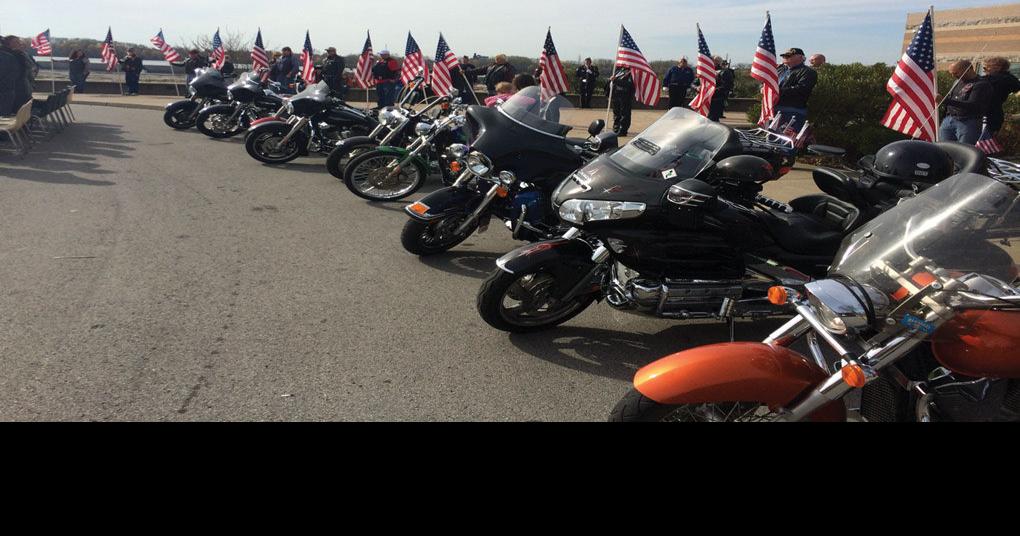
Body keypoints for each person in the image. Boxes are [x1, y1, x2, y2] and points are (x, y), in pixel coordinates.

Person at [939, 60, 993, 145]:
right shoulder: (957, 82)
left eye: (956, 73)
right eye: (952, 73)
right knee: (944, 148)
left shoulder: (981, 84)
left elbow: (972, 105)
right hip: (949, 119)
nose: (954, 76)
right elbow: (952, 97)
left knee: (965, 148)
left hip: (968, 121)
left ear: (968, 70)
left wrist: (945, 100)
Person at [775, 47, 818, 131]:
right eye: (784, 56)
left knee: (788, 139)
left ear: (801, 58)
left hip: (793, 111)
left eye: (789, 56)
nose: (785, 57)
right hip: (774, 109)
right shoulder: (779, 70)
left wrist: (777, 91)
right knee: (772, 138)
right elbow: (767, 81)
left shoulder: (808, 72)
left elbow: (801, 89)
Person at [980, 57, 1020, 137]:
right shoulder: (1009, 79)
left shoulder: (1003, 79)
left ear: (998, 68)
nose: (984, 70)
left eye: (986, 67)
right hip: (989, 115)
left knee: (984, 141)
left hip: (991, 115)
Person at [0, 36, 35, 113]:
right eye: (16, 42)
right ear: (8, 44)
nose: (19, 44)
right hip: (14, 91)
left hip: (22, 90)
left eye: (19, 42)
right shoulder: (9, 56)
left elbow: (31, 69)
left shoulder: (21, 55)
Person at [607, 67, 636, 136]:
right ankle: (616, 128)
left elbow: (629, 84)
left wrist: (616, 80)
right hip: (616, 95)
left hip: (625, 97)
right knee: (616, 113)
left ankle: (622, 130)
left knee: (624, 114)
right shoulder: (619, 71)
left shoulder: (632, 72)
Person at [0, 37, 23, 115]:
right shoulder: (10, 57)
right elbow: (16, 74)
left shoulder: (10, 57)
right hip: (8, 92)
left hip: (5, 93)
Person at [708, 56, 733, 122]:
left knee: (713, 120)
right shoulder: (706, 71)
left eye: (713, 60)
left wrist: (713, 90)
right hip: (705, 98)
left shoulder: (725, 72)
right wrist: (697, 87)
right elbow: (695, 83)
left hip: (716, 98)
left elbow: (726, 86)